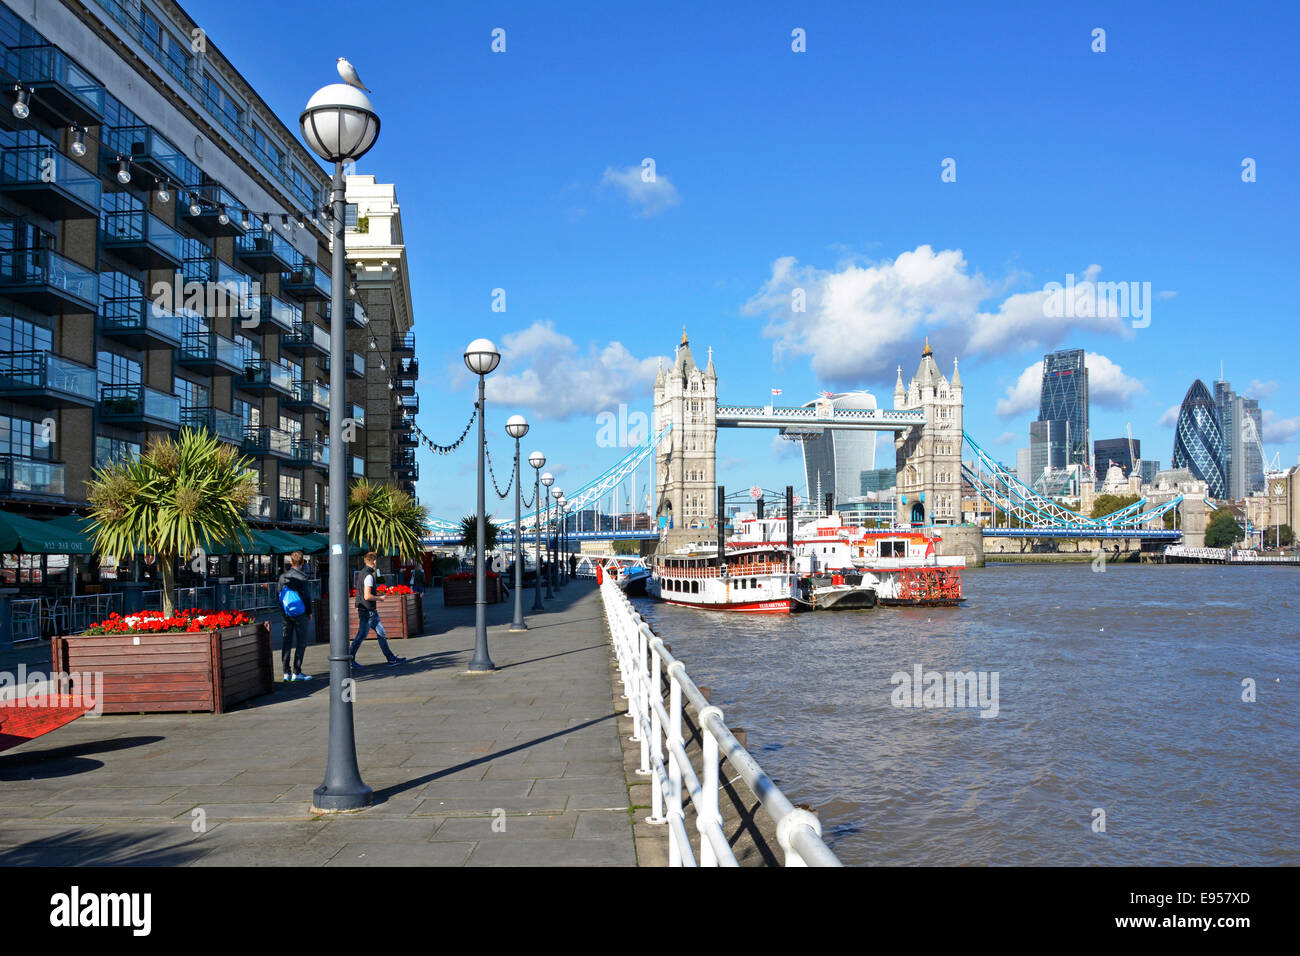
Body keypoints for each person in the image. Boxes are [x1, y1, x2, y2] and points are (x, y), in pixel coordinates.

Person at [349, 551, 406, 667]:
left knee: (381, 633)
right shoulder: (369, 576)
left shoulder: (362, 573)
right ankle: (349, 660)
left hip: (367, 610)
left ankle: (391, 659)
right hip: (368, 611)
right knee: (361, 636)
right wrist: (380, 598)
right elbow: (367, 596)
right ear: (374, 561)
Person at [277, 550, 313, 682]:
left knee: (286, 641)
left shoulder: (283, 577)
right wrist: (309, 612)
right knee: (301, 642)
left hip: (286, 614)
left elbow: (278, 595)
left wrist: (283, 610)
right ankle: (297, 672)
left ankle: (286, 672)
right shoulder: (303, 578)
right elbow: (307, 597)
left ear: (290, 562)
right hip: (301, 614)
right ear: (302, 562)